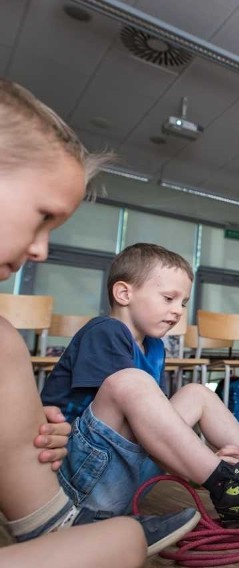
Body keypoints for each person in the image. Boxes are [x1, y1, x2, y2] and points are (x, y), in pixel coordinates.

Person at [0, 78, 191, 566]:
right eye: (41, 217)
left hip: (51, 499)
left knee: (121, 538)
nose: (41, 249)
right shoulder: (105, 332)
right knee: (123, 540)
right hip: (75, 488)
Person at [41, 243, 239, 528]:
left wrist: (200, 460)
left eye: (183, 303)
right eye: (168, 298)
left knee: (197, 393)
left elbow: (155, 426)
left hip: (120, 474)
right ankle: (226, 487)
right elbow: (122, 422)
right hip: (78, 483)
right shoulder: (105, 331)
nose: (178, 311)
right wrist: (199, 462)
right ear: (124, 293)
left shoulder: (154, 347)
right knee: (131, 382)